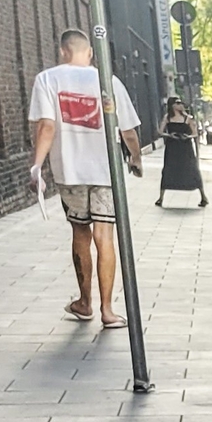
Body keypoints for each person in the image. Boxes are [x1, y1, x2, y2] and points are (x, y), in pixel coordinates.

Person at [26, 30, 143, 327]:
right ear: (90, 52)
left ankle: (84, 303)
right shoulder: (108, 82)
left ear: (63, 51)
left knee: (81, 233)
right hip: (105, 171)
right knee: (105, 237)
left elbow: (47, 126)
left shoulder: (48, 79)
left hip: (70, 171)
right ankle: (108, 310)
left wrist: (36, 166)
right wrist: (136, 158)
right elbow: (127, 131)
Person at [157, 95, 206, 207]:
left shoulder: (188, 118)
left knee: (192, 169)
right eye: (178, 103)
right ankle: (161, 198)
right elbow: (160, 131)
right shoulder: (167, 118)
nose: (181, 105)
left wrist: (187, 137)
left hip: (185, 147)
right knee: (168, 170)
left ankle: (203, 196)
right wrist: (169, 135)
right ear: (172, 105)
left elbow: (194, 133)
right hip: (172, 147)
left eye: (181, 103)